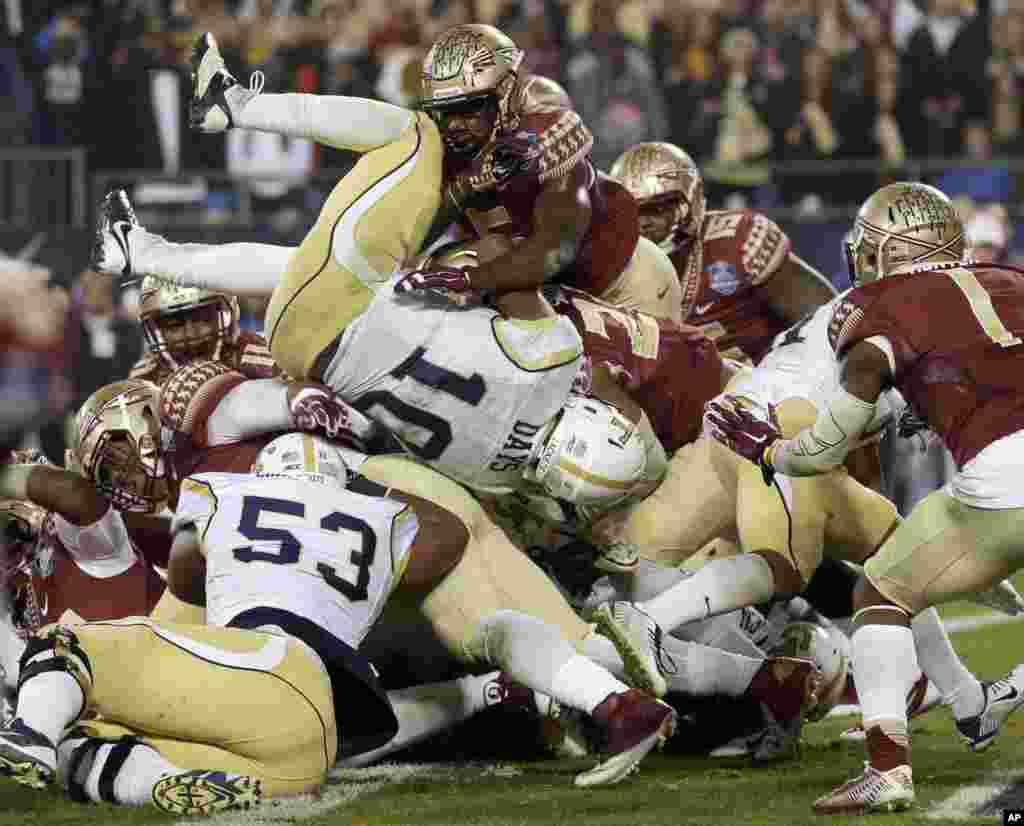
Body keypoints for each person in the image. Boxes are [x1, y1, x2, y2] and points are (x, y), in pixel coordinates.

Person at [705, 182, 1024, 814]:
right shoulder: (1009, 278)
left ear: (883, 253)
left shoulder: (878, 305)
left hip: (1004, 480)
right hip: (998, 475)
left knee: (880, 593)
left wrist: (773, 453)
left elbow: (827, 446)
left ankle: (888, 768)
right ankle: (990, 699)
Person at [402, 23, 682, 322]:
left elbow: (554, 252)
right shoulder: (450, 147)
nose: (454, 125)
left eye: (469, 108)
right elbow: (408, 241)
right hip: (550, 291)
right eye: (445, 112)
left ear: (505, 92)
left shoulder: (545, 135)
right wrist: (462, 190)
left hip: (623, 284)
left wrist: (470, 279)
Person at [609, 141, 837, 364]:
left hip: (764, 389)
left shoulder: (736, 242)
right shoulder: (609, 268)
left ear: (690, 200)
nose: (642, 223)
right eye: (633, 212)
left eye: (655, 209)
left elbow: (827, 322)